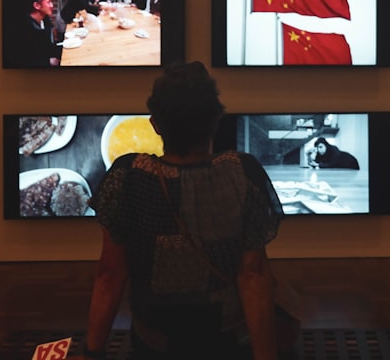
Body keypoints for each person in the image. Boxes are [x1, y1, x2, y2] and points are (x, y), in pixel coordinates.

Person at [79, 62, 283, 360]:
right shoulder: (242, 173)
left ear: (156, 124)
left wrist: (92, 355)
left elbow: (110, 275)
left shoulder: (128, 175)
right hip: (226, 342)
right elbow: (253, 275)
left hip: (154, 343)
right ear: (215, 120)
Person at [6, 0, 61, 67]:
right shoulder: (24, 29)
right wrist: (48, 61)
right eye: (48, 2)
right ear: (37, 5)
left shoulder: (45, 20)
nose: (52, 5)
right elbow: (22, 60)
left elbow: (49, 46)